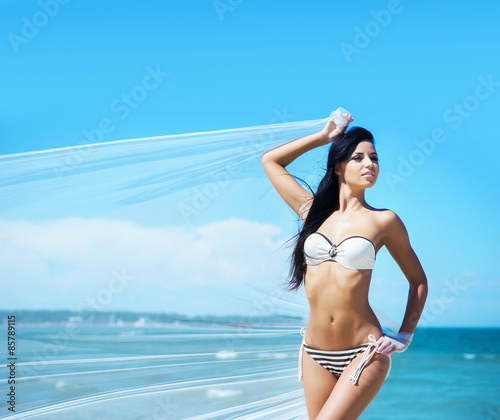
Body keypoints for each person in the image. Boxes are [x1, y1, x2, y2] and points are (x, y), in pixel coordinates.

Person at [261, 111, 428, 420]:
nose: (370, 164)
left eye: (375, 158)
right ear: (338, 166)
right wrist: (324, 136)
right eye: (359, 158)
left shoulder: (384, 221)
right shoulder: (312, 212)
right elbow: (271, 161)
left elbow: (418, 280)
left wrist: (405, 335)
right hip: (314, 351)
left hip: (364, 352)